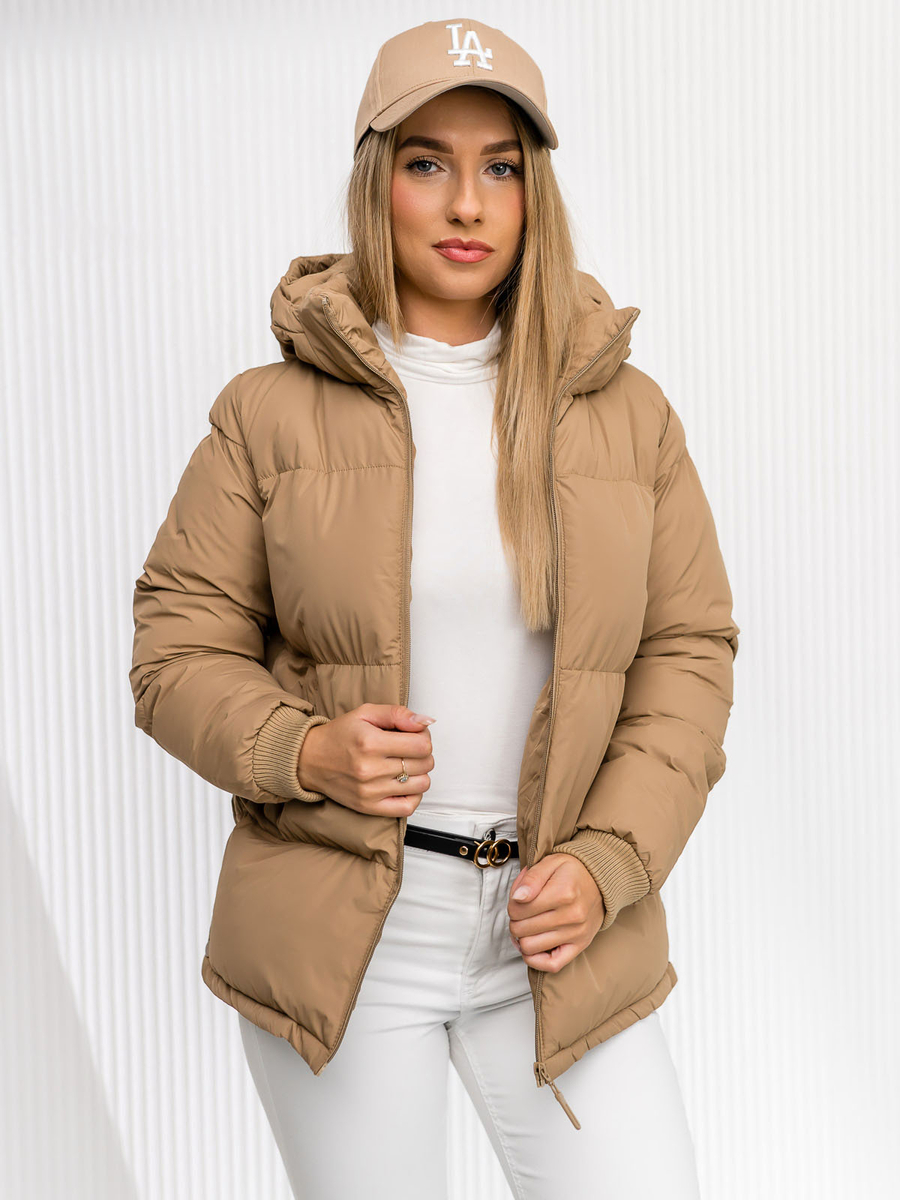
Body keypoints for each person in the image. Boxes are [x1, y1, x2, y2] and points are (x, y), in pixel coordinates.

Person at [129, 17, 739, 1200]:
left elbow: (687, 655)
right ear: (378, 182)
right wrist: (304, 749)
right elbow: (175, 650)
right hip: (352, 936)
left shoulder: (630, 416)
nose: (467, 203)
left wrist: (609, 861)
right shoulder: (266, 416)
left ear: (533, 192)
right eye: (427, 163)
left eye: (499, 167)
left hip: (560, 933)